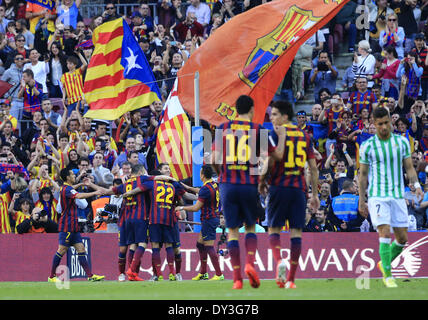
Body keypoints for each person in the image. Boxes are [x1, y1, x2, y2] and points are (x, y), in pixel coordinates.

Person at [358, 106, 424, 288]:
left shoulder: (401, 143)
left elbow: (409, 167)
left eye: (386, 123)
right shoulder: (367, 146)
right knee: (384, 232)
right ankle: (388, 275)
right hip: (377, 196)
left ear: (391, 121)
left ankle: (383, 263)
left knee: (402, 239)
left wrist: (417, 185)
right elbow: (362, 174)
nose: (384, 127)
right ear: (374, 123)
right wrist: (361, 199)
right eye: (380, 124)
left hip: (397, 195)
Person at [258, 100, 319, 289]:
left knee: (274, 229)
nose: (271, 117)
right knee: (296, 233)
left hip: (278, 187)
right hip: (299, 189)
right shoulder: (305, 137)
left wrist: (261, 180)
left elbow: (269, 160)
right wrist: (314, 194)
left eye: (275, 114)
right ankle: (291, 279)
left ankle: (279, 262)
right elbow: (314, 168)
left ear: (285, 116)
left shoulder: (274, 134)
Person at [212, 95, 264, 290]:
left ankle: (236, 279)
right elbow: (265, 160)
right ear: (251, 110)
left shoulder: (222, 128)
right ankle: (250, 263)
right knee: (250, 226)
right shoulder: (259, 129)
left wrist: (222, 175)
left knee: (232, 231)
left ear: (235, 109)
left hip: (227, 184)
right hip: (249, 183)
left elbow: (215, 158)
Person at [48, 168, 105, 283]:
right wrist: (95, 192)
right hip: (67, 226)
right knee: (62, 250)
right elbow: (78, 196)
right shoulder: (67, 189)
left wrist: (79, 183)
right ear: (68, 177)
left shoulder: (66, 188)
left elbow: (72, 189)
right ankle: (52, 276)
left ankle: (90, 275)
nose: (74, 176)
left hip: (73, 226)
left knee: (81, 249)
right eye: (72, 174)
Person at [177, 165, 224, 281]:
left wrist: (181, 208)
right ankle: (203, 273)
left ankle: (219, 274)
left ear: (202, 175)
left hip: (209, 219)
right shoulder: (213, 184)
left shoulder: (206, 189)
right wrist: (187, 187)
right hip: (211, 218)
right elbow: (201, 191)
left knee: (208, 247)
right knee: (200, 245)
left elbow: (195, 208)